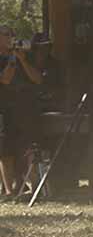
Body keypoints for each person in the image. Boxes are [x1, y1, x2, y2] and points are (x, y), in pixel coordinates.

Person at [0, 28, 45, 198]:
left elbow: (37, 79)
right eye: (5, 35)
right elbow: (6, 79)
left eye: (12, 35)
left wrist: (23, 61)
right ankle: (8, 190)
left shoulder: (26, 56)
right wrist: (13, 59)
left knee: (29, 147)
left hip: (26, 108)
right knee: (5, 150)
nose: (10, 38)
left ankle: (33, 186)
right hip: (4, 109)